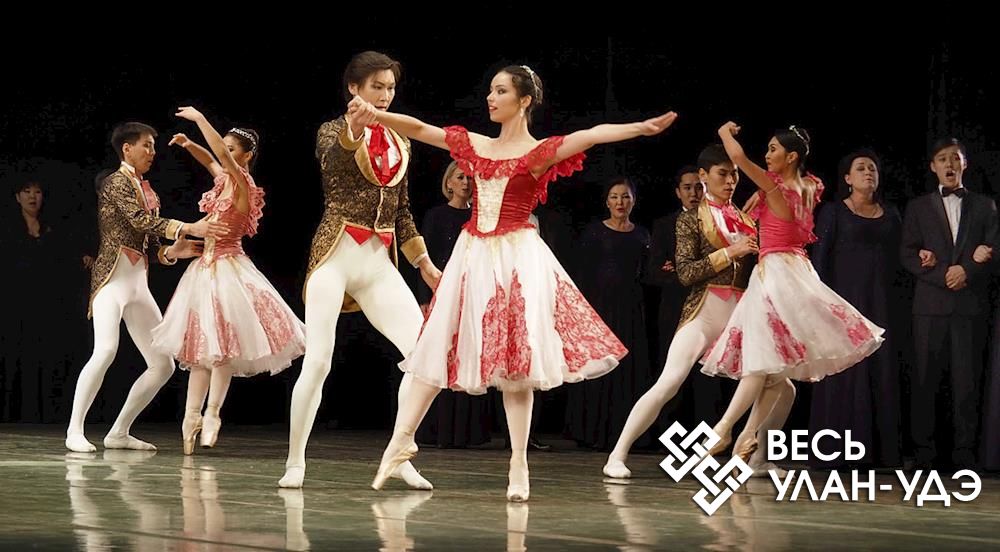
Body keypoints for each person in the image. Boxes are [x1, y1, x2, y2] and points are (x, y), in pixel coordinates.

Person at [356, 63, 677, 501]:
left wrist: (639, 127)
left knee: (516, 366)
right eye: (490, 90)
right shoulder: (476, 144)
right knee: (437, 345)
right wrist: (375, 114)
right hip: (472, 255)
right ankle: (401, 442)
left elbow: (591, 135)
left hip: (517, 259)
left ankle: (519, 462)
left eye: (501, 91)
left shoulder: (539, 152)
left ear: (524, 100)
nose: (490, 98)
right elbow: (419, 128)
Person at [279, 51, 441, 490]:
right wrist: (354, 128)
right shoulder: (332, 130)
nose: (385, 95)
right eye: (377, 87)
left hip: (377, 261)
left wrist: (424, 263)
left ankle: (400, 451)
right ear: (354, 88)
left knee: (425, 358)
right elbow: (333, 160)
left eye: (390, 88)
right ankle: (295, 461)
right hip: (334, 257)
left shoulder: (401, 140)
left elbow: (402, 210)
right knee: (318, 360)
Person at [699, 123, 884, 462]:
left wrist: (724, 132)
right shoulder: (811, 185)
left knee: (760, 362)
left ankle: (724, 429)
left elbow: (738, 157)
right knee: (775, 371)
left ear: (792, 156)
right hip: (798, 272)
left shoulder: (775, 187)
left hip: (774, 275)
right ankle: (745, 440)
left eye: (773, 149)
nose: (767, 155)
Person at [151, 107, 306, 454]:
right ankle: (191, 418)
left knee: (222, 350)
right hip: (203, 271)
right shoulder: (223, 181)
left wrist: (199, 119)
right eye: (228, 148)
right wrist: (190, 144)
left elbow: (220, 155)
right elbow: (212, 160)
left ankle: (213, 414)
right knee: (200, 352)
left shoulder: (243, 186)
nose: (226, 154)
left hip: (228, 271)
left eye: (233, 149)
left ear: (246, 156)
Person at [65, 121, 226, 453]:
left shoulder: (146, 189)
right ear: (127, 148)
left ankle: (119, 432)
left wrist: (174, 251)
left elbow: (151, 244)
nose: (152, 152)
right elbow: (139, 221)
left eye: (153, 146)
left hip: (138, 285)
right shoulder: (115, 182)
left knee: (163, 364)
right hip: (112, 281)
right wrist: (189, 227)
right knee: (105, 350)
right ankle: (74, 430)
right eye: (147, 145)